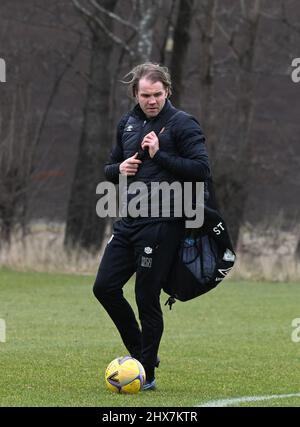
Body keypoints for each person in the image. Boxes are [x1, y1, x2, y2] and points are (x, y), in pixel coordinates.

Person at [93, 63, 211, 390]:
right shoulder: (127, 123)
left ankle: (147, 374)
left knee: (146, 296)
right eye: (146, 95)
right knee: (104, 287)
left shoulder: (182, 124)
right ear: (136, 94)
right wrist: (120, 167)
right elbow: (109, 168)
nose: (152, 100)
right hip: (129, 221)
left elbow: (201, 170)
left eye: (158, 94)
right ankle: (143, 356)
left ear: (167, 92)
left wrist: (159, 155)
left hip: (163, 223)